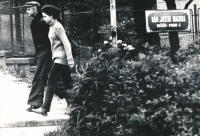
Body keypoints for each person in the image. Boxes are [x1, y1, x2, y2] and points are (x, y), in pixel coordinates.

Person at [24, 1, 70, 112]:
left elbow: (56, 32)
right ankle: (71, 96)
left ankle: (35, 103)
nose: (26, 11)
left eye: (29, 9)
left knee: (39, 76)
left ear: (35, 9)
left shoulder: (42, 20)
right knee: (50, 79)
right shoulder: (38, 19)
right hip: (43, 52)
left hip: (46, 52)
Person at [33, 4, 74, 116]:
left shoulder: (58, 27)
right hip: (57, 58)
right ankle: (73, 104)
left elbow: (66, 43)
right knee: (68, 83)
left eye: (45, 16)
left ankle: (45, 109)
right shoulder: (51, 26)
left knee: (51, 82)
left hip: (61, 59)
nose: (44, 18)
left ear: (52, 16)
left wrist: (70, 60)